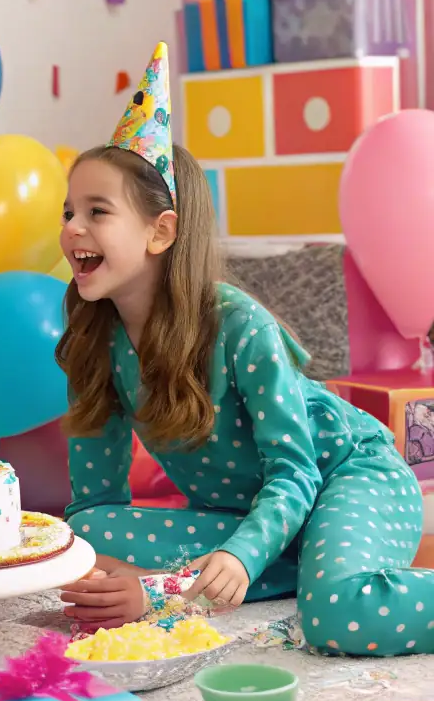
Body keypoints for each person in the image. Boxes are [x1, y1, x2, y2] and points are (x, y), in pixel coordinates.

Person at [57, 42, 431, 656]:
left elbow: (294, 472)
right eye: (69, 211)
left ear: (161, 231)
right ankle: (269, 571)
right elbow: (95, 505)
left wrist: (214, 564)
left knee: (337, 617)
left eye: (97, 212)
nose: (72, 229)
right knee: (83, 532)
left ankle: (300, 574)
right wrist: (139, 584)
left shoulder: (238, 325)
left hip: (344, 479)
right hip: (252, 521)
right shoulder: (93, 342)